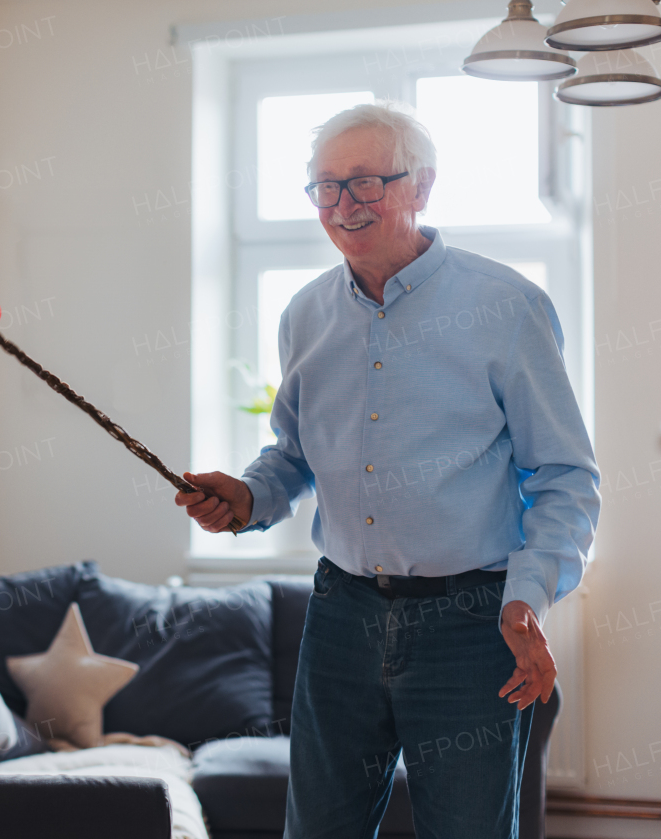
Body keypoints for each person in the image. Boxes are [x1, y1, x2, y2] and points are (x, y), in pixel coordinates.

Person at [176, 102, 599, 838]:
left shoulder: (507, 306)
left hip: (472, 622)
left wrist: (527, 596)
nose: (344, 204)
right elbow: (294, 455)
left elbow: (565, 476)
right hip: (339, 614)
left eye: (367, 182)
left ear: (422, 186)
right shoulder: (304, 315)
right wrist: (247, 496)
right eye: (326, 186)